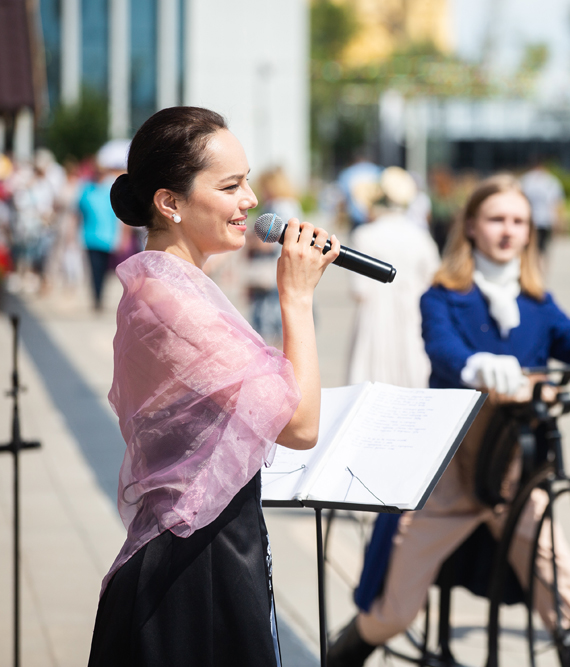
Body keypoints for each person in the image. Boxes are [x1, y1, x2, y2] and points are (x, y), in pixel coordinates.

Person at [328, 174, 570, 667]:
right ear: (472, 227)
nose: (508, 231)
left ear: (531, 231)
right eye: (497, 219)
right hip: (445, 473)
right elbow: (442, 348)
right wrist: (472, 365)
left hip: (514, 474)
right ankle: (345, 651)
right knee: (393, 611)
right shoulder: (443, 295)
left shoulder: (535, 302)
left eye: (519, 221)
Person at [87, 106, 343, 666]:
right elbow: (299, 426)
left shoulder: (172, 282)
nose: (251, 200)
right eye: (230, 185)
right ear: (170, 203)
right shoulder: (170, 299)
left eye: (247, 180)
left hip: (207, 547)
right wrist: (296, 298)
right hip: (195, 568)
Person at [346, 166, 440, 387]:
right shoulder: (420, 235)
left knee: (371, 376)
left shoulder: (364, 235)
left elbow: (359, 290)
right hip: (413, 311)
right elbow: (434, 277)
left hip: (375, 315)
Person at [247, 167, 302, 346]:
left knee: (267, 331)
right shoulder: (293, 204)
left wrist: (248, 239)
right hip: (286, 268)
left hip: (270, 272)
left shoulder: (275, 207)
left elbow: (267, 242)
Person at [78, 142, 126, 310]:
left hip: (107, 237)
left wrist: (120, 237)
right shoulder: (86, 189)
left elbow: (117, 217)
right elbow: (78, 212)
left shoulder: (108, 189)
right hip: (90, 236)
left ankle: (100, 296)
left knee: (103, 270)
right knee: (93, 270)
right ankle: (96, 298)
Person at [520, 159, 565, 255]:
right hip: (545, 219)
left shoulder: (525, 180)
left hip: (529, 218)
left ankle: (532, 267)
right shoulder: (550, 180)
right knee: (543, 248)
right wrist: (558, 221)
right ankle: (541, 268)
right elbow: (556, 202)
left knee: (530, 248)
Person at [337, 151, 382, 229]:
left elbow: (342, 197)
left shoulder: (347, 173)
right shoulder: (377, 170)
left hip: (356, 217)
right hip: (376, 217)